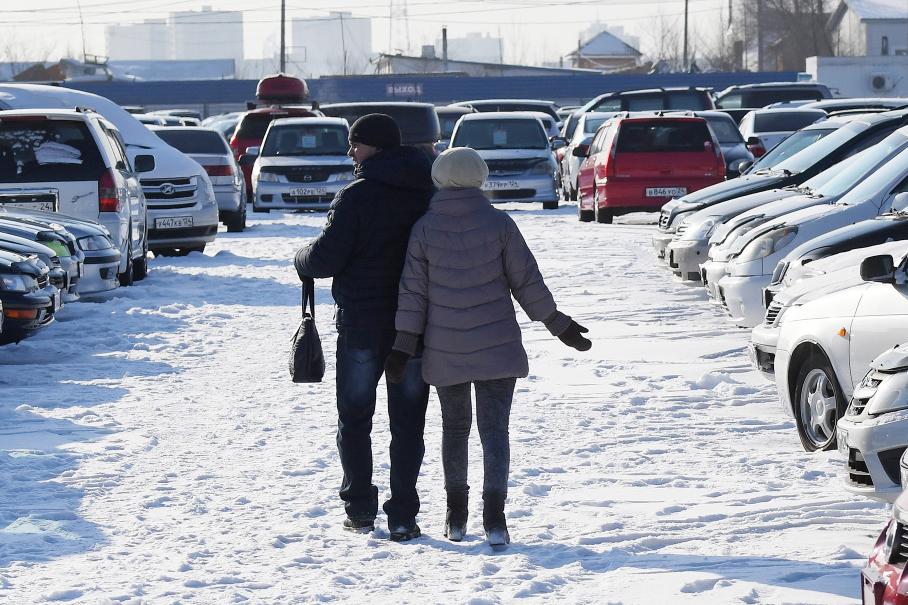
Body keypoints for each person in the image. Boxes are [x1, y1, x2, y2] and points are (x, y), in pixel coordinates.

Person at [384, 146, 592, 546]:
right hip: (497, 346)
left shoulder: (425, 229)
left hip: (446, 349)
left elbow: (413, 293)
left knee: (454, 428)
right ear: (480, 178)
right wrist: (557, 324)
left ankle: (456, 517)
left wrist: (403, 344)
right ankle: (496, 521)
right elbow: (526, 282)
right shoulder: (500, 224)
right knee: (495, 431)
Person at [294, 114, 434, 542]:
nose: (350, 152)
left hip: (362, 326)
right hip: (414, 326)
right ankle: (404, 515)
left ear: (373, 146)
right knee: (408, 422)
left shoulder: (355, 197)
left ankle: (359, 508)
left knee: (355, 418)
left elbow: (323, 260)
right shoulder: (428, 191)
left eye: (355, 144)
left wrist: (300, 257)